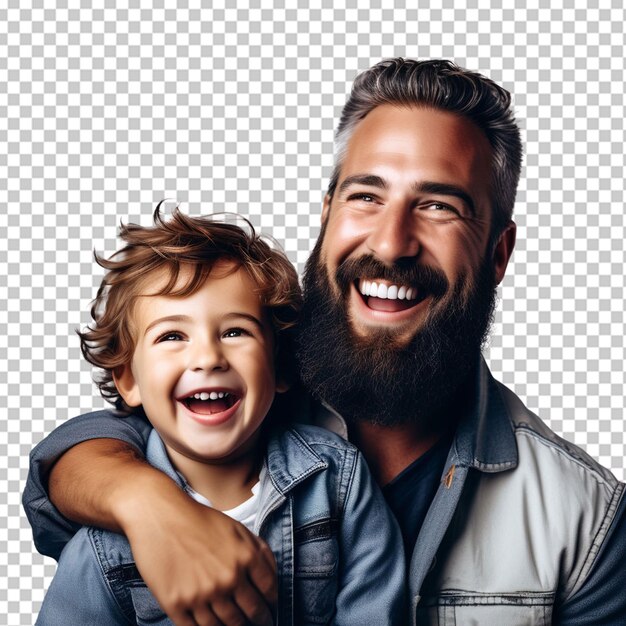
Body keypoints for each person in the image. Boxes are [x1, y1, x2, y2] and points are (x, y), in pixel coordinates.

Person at [24, 59, 626, 625]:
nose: (391, 244)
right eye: (365, 196)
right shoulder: (243, 391)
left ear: (498, 253)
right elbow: (77, 459)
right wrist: (148, 505)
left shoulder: (585, 520)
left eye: (439, 205)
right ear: (326, 214)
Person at [33, 207, 406, 625]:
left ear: (279, 368)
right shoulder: (104, 545)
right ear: (127, 380)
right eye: (172, 336)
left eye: (235, 332)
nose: (208, 358)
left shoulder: (336, 481)